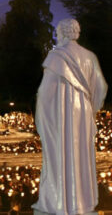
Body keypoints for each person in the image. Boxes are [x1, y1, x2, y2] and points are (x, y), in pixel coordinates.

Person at [32, 19, 108, 214]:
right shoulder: (90, 56)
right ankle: (81, 201)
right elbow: (102, 87)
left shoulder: (56, 57)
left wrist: (42, 115)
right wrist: (91, 108)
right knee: (81, 154)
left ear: (63, 33)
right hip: (82, 114)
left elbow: (45, 92)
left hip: (62, 115)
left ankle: (61, 202)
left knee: (60, 153)